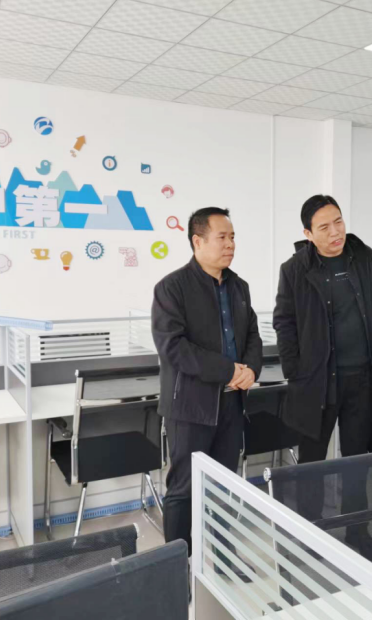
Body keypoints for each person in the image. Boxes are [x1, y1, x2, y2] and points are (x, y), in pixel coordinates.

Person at [273, 195, 372, 562]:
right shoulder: (294, 269)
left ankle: (358, 530)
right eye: (324, 227)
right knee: (313, 462)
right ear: (308, 233)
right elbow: (284, 322)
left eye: (338, 221)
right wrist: (295, 371)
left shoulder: (363, 256)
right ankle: (311, 533)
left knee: (357, 460)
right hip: (316, 381)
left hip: (361, 377)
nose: (335, 232)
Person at [151, 207, 263, 573]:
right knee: (183, 490)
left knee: (224, 486)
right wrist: (229, 370)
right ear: (197, 241)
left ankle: (224, 561)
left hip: (232, 404)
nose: (230, 244)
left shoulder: (239, 287)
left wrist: (251, 370)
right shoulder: (172, 287)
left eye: (233, 237)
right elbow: (174, 348)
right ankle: (177, 570)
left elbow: (252, 337)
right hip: (190, 407)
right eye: (222, 237)